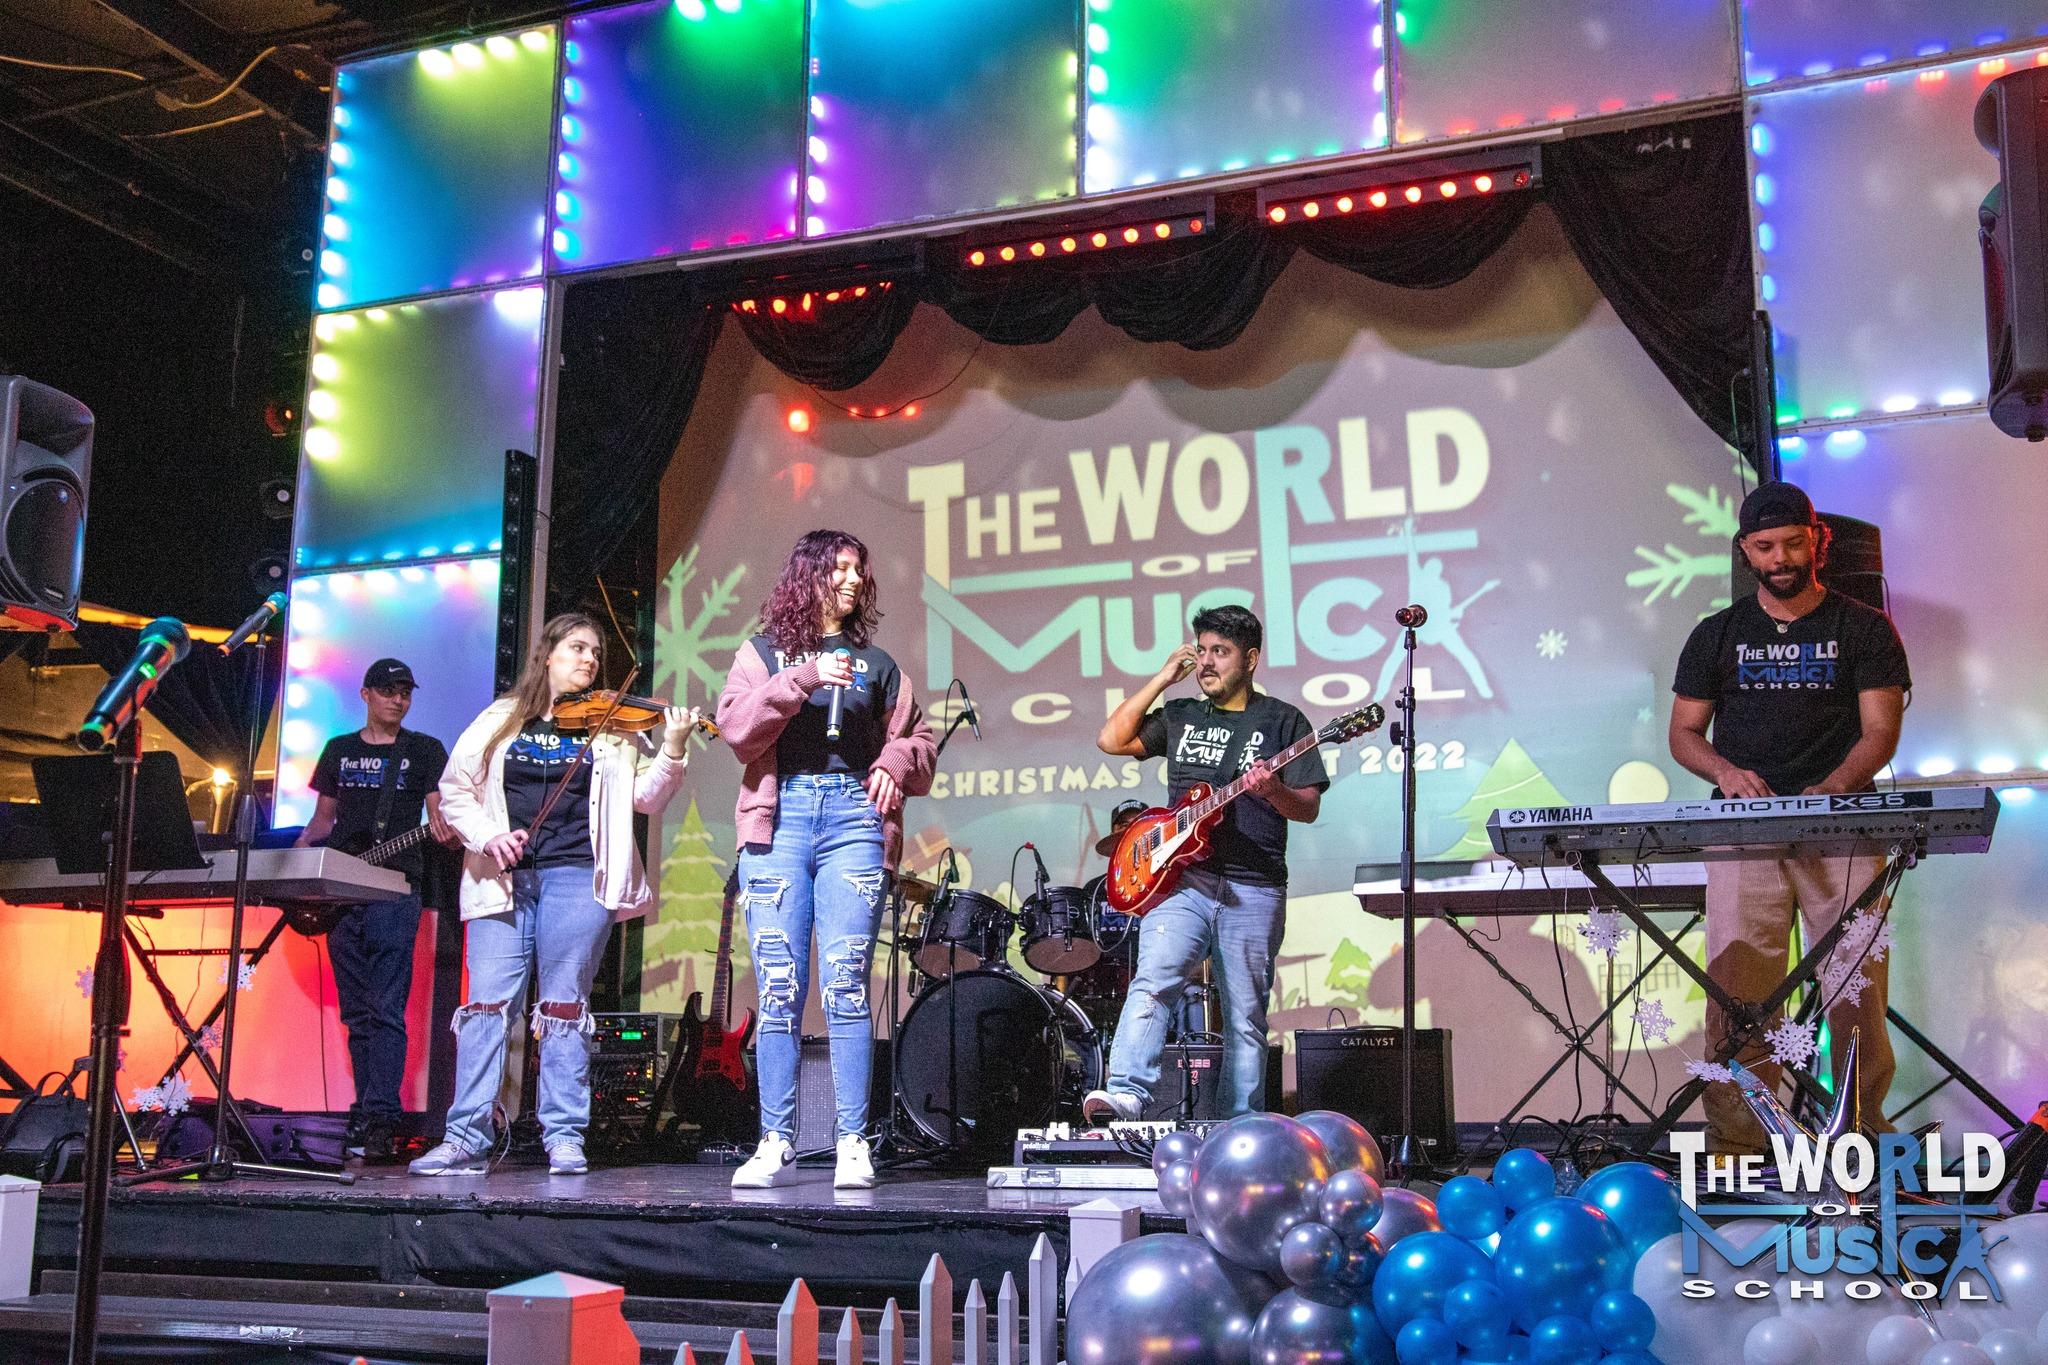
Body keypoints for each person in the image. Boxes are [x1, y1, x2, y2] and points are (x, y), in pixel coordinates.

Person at [408, 614, 699, 1177]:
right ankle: (465, 1136)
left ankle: (564, 1135)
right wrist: (490, 836)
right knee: (486, 1008)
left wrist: (674, 747)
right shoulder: (499, 718)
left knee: (564, 1008)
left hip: (578, 876)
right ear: (547, 655)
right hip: (502, 877)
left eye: (595, 652)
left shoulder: (614, 729)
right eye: (577, 648)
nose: (589, 659)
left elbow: (646, 798)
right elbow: (454, 790)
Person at [1668, 481, 1910, 1156]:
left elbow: (1880, 730)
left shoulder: (1863, 627)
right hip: (1742, 833)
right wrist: (1724, 771)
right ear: (1745, 550)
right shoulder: (1717, 633)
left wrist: (1830, 788)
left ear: (1816, 541)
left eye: (1793, 543)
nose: (1780, 557)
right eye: (1765, 546)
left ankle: (1861, 1136)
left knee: (1853, 989)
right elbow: (1684, 732)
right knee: (1741, 994)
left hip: (1845, 828)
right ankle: (1739, 1146)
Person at [717, 530, 935, 1190]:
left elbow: (919, 742)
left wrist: (895, 762)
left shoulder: (879, 663)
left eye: (857, 571)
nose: (850, 580)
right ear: (808, 574)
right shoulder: (761, 654)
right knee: (779, 988)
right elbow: (736, 728)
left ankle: (851, 1141)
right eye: (837, 568)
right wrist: (802, 676)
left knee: (844, 984)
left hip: (853, 822)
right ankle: (776, 1139)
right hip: (778, 820)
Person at [1083, 603, 1329, 1122]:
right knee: (1154, 980)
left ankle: (1239, 1126)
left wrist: (1273, 792)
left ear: (1251, 659)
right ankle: (1126, 1093)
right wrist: (1163, 678)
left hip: (1255, 887)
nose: (1207, 662)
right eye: (1202, 651)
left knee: (1245, 1016)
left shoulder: (1284, 720)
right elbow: (1111, 739)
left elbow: (1306, 807)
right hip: (1184, 880)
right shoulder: (1182, 714)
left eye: (1221, 652)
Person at [294, 658, 457, 1161]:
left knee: (386, 1007)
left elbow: (438, 812)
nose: (398, 699)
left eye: (405, 691)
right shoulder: (339, 750)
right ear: (366, 694)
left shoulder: (424, 750)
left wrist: (448, 829)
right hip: (343, 890)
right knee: (357, 1011)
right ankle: (366, 1113)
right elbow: (322, 821)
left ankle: (382, 1118)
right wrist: (295, 869)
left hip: (395, 887)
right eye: (388, 690)